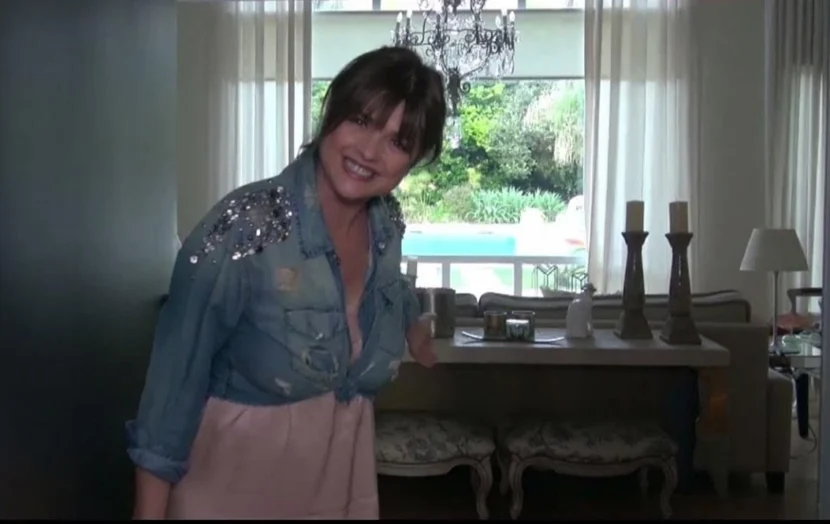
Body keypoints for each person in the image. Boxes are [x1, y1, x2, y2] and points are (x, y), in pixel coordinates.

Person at [127, 45, 447, 519]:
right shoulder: (241, 228)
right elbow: (170, 397)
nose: (369, 151)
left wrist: (413, 326)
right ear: (331, 111)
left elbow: (389, 289)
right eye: (361, 120)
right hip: (229, 493)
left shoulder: (386, 227)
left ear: (414, 160)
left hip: (339, 488)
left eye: (398, 142)